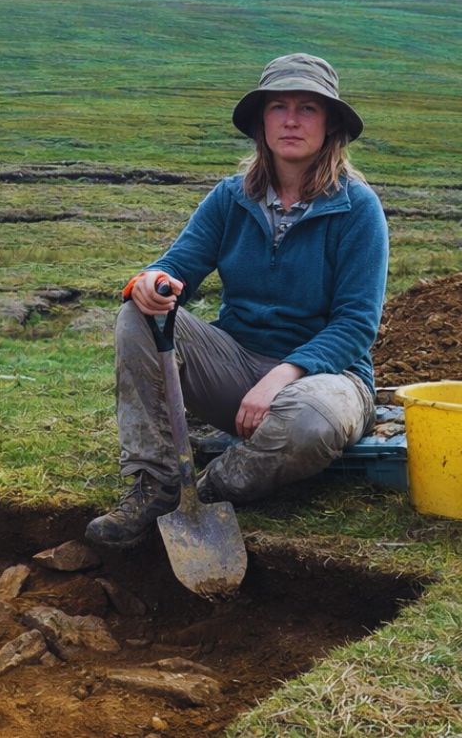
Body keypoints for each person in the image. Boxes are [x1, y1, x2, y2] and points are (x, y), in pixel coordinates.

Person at [86, 53, 389, 549]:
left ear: (330, 124)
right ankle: (156, 484)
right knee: (138, 315)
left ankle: (209, 488)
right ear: (260, 122)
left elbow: (356, 324)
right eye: (279, 107)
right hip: (236, 368)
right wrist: (151, 281)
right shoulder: (231, 197)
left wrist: (282, 375)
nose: (291, 120)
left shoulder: (358, 209)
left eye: (308, 108)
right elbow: (176, 266)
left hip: (327, 380)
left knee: (310, 423)